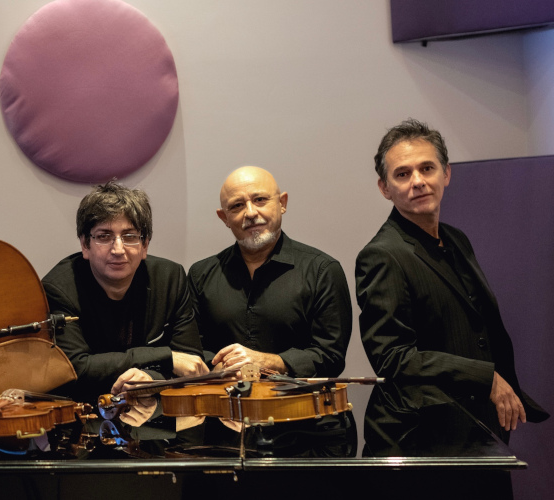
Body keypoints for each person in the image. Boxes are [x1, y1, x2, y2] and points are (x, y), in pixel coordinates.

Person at [356, 118, 547, 440]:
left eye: (427, 168)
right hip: (424, 437)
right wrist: (484, 377)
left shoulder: (456, 238)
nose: (418, 181)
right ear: (384, 188)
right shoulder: (382, 255)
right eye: (403, 174)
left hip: (478, 424)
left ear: (446, 174)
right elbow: (392, 358)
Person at [42, 182, 208, 405]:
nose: (118, 249)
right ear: (85, 245)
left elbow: (191, 362)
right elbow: (73, 369)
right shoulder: (58, 289)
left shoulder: (170, 278)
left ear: (145, 245)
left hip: (156, 413)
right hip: (86, 413)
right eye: (104, 236)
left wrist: (151, 378)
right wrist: (164, 357)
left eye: (129, 236)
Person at [188, 166, 351, 377]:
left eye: (260, 200)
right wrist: (220, 367)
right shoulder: (200, 275)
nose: (250, 213)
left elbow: (331, 356)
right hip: (222, 397)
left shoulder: (322, 270)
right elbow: (190, 351)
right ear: (224, 218)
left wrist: (267, 362)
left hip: (298, 397)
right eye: (237, 206)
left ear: (282, 203)